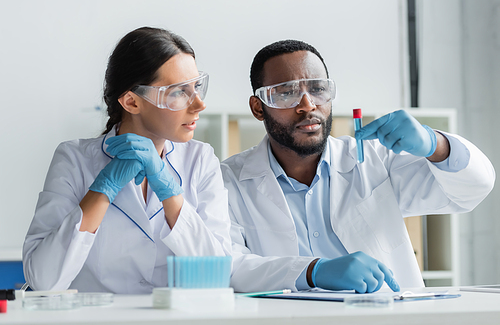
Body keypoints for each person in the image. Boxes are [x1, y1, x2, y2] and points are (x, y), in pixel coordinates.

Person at [222, 40, 495, 293]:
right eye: (286, 93)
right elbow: (229, 266)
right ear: (258, 108)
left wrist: (435, 144)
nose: (308, 105)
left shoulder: (375, 161)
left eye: (318, 89)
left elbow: (473, 189)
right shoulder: (229, 181)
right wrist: (311, 271)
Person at [23, 27, 231, 293]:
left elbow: (218, 276)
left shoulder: (201, 160)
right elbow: (44, 281)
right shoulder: (74, 160)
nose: (199, 104)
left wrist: (171, 193)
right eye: (179, 92)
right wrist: (102, 189)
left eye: (196, 87)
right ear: (132, 102)